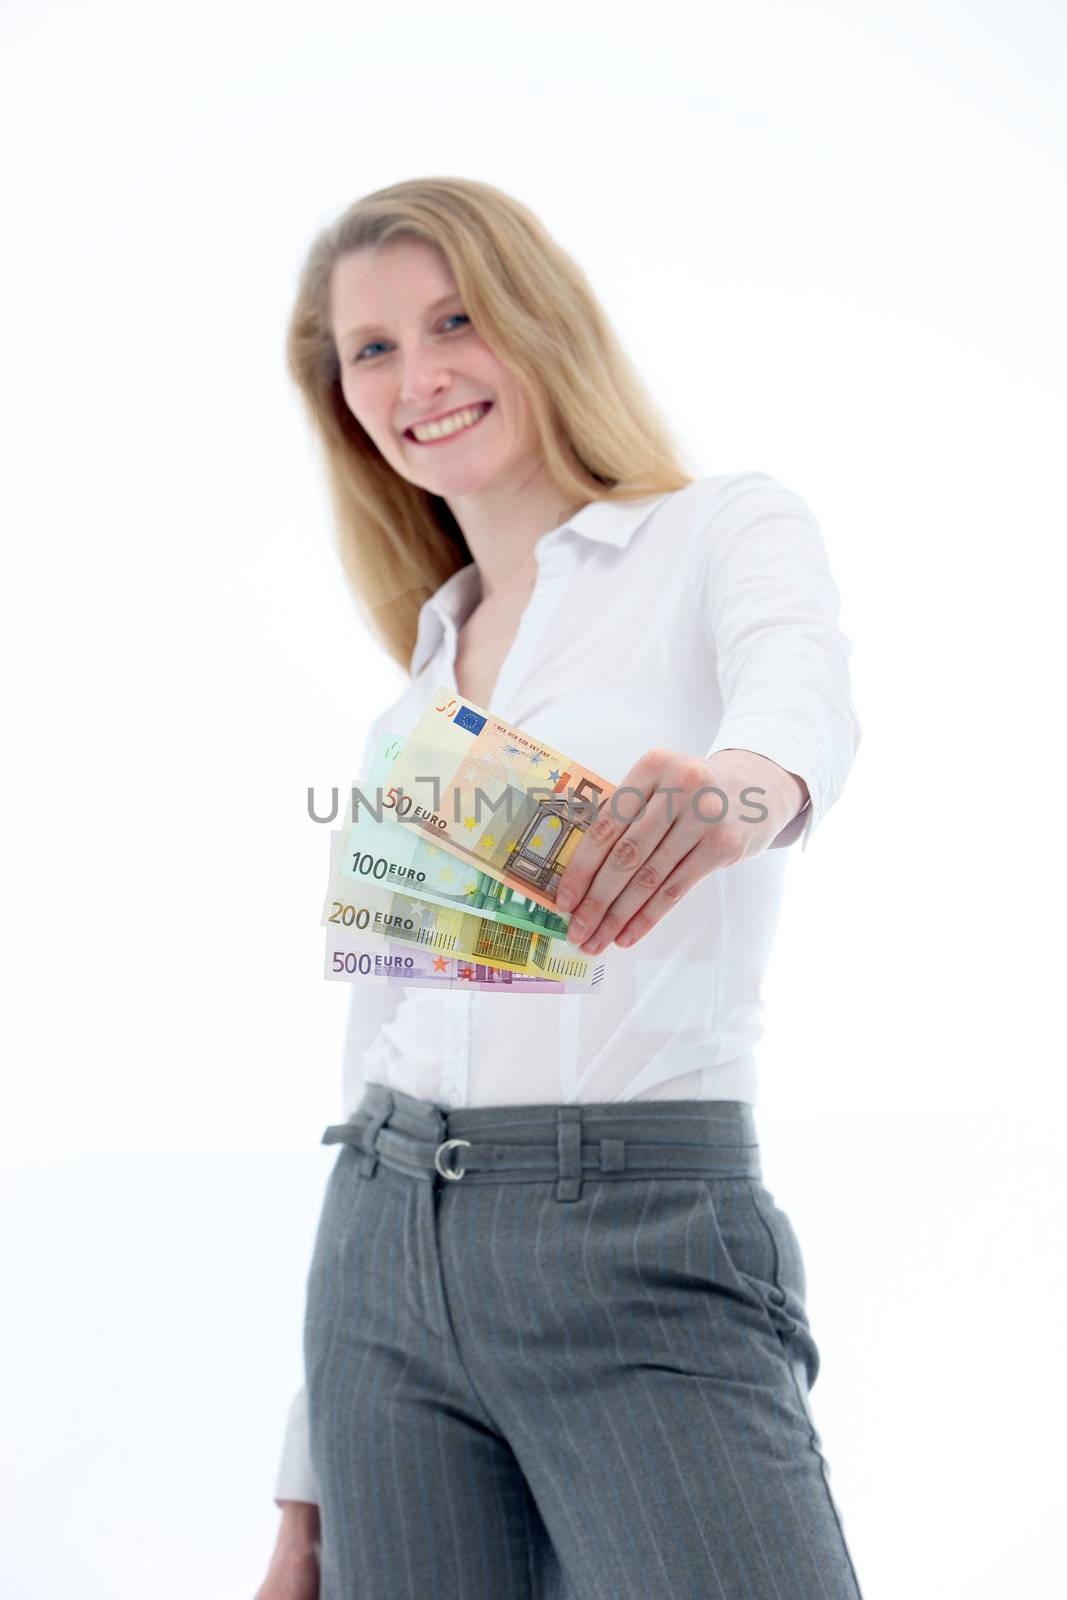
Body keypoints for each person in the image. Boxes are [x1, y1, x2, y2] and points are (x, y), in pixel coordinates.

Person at [253, 176, 865, 1600]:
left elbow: (802, 691)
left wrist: (738, 791)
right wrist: (310, 1465)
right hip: (380, 1267)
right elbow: (375, 1054)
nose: (421, 376)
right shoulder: (411, 709)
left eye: (456, 318)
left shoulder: (718, 531)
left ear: (539, 319)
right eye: (374, 349)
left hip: (639, 1241)